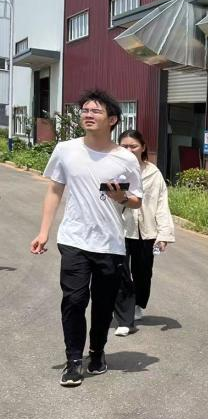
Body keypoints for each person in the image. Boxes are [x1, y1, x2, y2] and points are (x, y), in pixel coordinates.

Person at [29, 89, 144, 387]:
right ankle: (73, 361)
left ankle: (97, 351)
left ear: (112, 120)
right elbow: (54, 190)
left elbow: (136, 200)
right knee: (74, 299)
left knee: (103, 304)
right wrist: (44, 231)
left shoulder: (125, 159)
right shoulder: (66, 149)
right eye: (85, 110)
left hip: (110, 244)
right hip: (74, 239)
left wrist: (122, 197)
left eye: (96, 111)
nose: (88, 115)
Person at [112, 129, 175, 336]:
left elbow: (161, 204)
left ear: (143, 147)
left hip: (146, 231)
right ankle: (125, 315)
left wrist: (164, 235)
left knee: (143, 273)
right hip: (120, 229)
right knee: (120, 272)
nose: (129, 150)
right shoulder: (113, 170)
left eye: (133, 146)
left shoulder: (153, 173)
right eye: (124, 146)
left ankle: (138, 304)